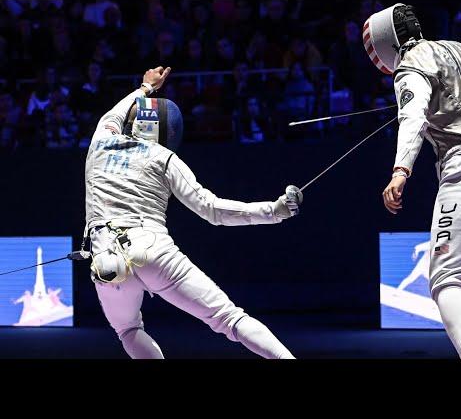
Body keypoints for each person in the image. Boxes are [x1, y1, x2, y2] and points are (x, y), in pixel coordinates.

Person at [84, 65, 302, 359]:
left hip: (105, 261)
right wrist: (273, 211)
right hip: (152, 250)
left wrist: (145, 87)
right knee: (229, 319)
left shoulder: (101, 143)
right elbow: (211, 209)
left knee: (128, 331)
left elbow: (114, 114)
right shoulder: (163, 157)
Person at [365, 3, 461, 359]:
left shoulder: (410, 67)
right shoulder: (458, 50)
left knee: (446, 284)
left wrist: (400, 170)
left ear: (388, 42)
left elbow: (413, 117)